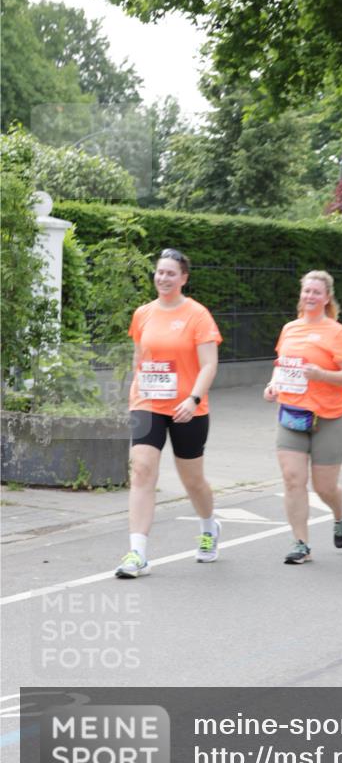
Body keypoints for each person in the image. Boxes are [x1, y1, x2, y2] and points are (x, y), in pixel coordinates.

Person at [115, 248, 222, 578]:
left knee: (193, 480)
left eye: (171, 273)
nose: (163, 278)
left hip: (187, 408)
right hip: (147, 404)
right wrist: (136, 391)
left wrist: (192, 398)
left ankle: (208, 527)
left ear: (183, 278)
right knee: (143, 471)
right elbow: (139, 357)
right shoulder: (143, 313)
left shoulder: (197, 315)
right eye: (160, 272)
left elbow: (209, 364)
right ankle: (137, 553)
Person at [264, 270, 342, 564]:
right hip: (292, 413)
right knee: (293, 479)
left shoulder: (337, 332)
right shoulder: (290, 328)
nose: (310, 297)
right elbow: (282, 365)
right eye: (306, 291)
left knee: (324, 487)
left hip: (329, 417)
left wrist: (322, 375)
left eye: (316, 292)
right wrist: (272, 384)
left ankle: (340, 512)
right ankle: (300, 543)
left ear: (327, 297)